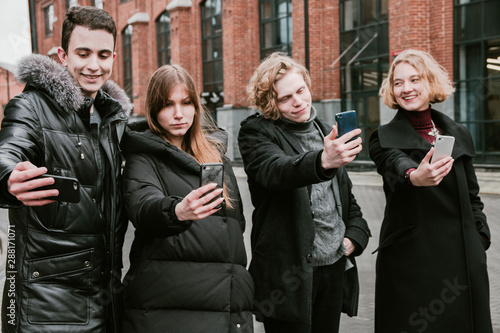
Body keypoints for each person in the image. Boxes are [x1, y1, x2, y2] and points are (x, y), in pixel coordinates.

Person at [0, 6, 131, 332]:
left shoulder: (112, 118)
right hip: (46, 301)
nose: (93, 65)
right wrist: (8, 178)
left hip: (104, 295)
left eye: (103, 55)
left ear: (114, 56)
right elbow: (8, 151)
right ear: (62, 55)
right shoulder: (30, 106)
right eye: (83, 53)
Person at [238, 52, 371, 333]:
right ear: (269, 102)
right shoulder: (255, 132)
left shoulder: (325, 130)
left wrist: (354, 239)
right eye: (285, 98)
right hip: (288, 274)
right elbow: (277, 171)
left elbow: (346, 202)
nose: (298, 101)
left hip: (333, 266)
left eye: (301, 90)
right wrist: (323, 160)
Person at [121, 64, 254, 333]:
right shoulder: (142, 155)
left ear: (196, 106)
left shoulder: (217, 156)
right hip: (166, 305)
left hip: (225, 304)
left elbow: (234, 225)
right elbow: (143, 207)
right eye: (168, 105)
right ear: (154, 109)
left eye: (186, 103)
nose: (179, 114)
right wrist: (177, 210)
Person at [369, 49, 492, 332]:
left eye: (415, 79)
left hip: (463, 261)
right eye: (398, 83)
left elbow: (473, 196)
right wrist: (414, 175)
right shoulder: (383, 137)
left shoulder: (458, 132)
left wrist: (479, 236)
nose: (406, 89)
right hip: (412, 266)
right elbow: (393, 163)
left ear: (430, 82)